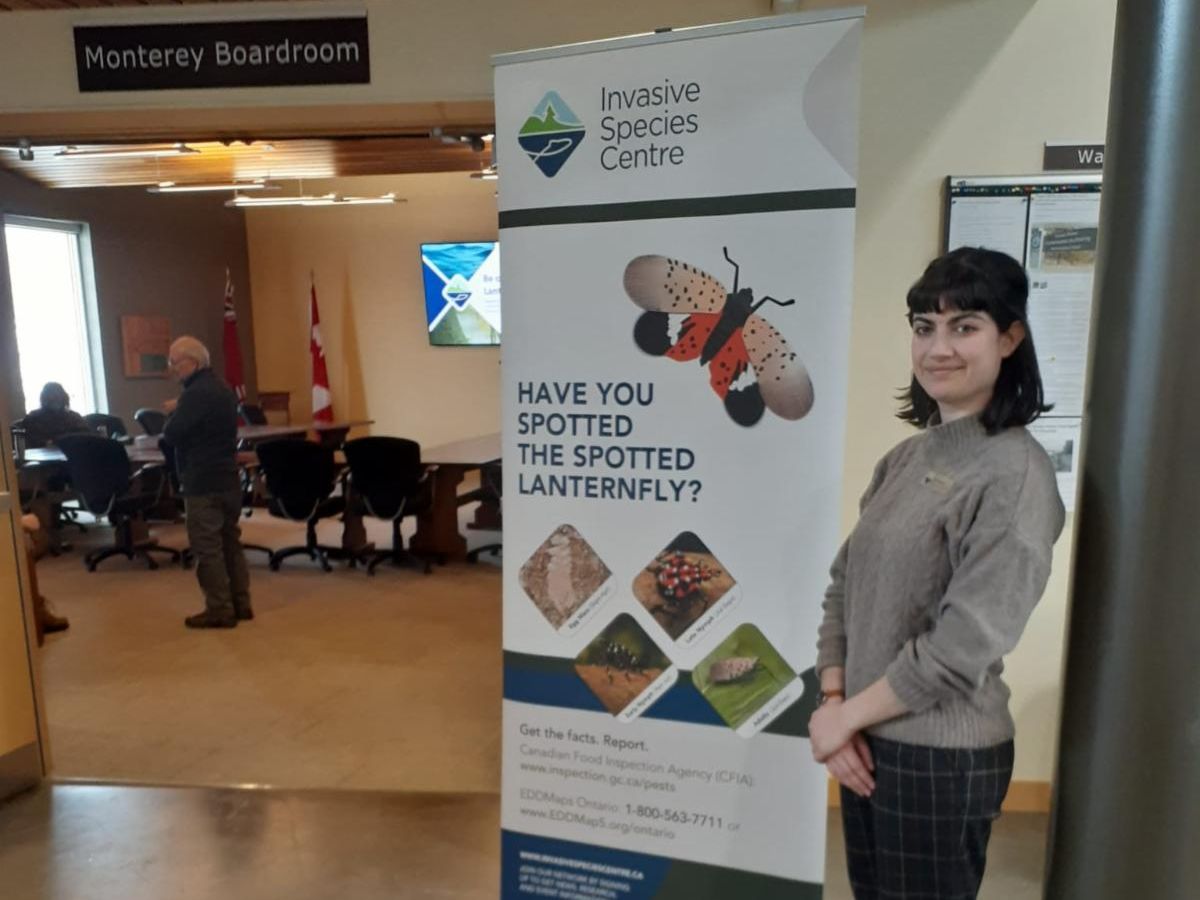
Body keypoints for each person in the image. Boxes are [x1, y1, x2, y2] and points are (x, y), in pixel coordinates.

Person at [809, 246, 1066, 899]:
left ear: (1010, 338)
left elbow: (961, 648)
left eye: (964, 326)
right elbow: (844, 585)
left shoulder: (1016, 476)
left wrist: (845, 718)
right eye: (924, 327)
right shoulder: (905, 459)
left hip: (940, 757)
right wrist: (835, 704)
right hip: (866, 738)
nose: (938, 348)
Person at [162, 336, 252, 629]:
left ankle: (219, 609)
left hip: (202, 481)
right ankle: (241, 603)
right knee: (230, 543)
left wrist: (174, 411)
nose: (173, 368)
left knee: (207, 547)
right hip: (228, 477)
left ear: (193, 362)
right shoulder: (223, 388)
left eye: (175, 362)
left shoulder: (194, 394)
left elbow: (171, 435)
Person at [21, 382, 88, 449]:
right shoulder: (33, 418)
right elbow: (31, 441)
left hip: (72, 451)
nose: (55, 399)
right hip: (43, 453)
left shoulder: (74, 418)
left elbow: (86, 437)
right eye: (52, 397)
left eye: (57, 396)